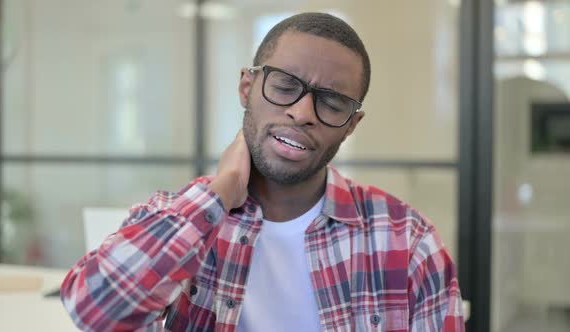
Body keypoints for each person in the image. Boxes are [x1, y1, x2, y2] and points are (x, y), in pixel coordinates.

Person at [61, 12, 464, 332]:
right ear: (245, 88)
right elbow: (94, 311)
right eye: (286, 86)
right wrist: (219, 194)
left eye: (332, 102)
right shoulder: (179, 218)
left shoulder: (406, 240)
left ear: (352, 124)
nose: (302, 113)